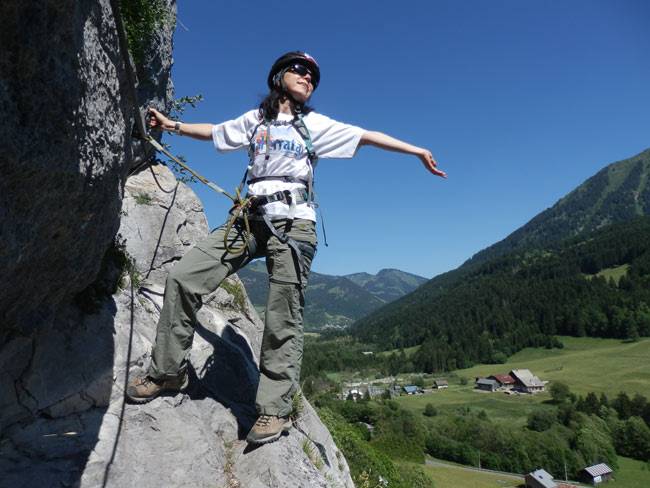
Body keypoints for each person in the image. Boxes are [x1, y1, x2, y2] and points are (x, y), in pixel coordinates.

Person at [126, 51, 446, 444]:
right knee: (182, 277)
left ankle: (274, 409)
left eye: (312, 75)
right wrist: (171, 124)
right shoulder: (255, 121)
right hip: (248, 219)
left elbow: (366, 136)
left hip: (294, 225)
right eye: (300, 71)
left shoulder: (314, 124)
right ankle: (168, 371)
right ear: (279, 77)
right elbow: (213, 132)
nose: (308, 78)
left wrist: (416, 150)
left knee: (281, 317)